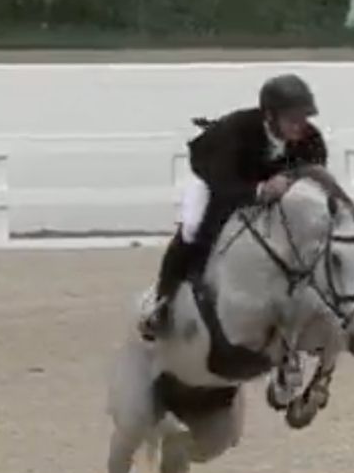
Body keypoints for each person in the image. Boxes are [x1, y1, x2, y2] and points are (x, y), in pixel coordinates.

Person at [138, 73, 329, 342]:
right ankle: (163, 300)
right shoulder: (236, 131)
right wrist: (260, 190)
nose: (300, 126)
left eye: (304, 117)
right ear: (271, 117)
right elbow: (222, 182)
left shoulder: (310, 139)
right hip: (216, 179)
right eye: (292, 119)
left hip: (265, 184)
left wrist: (291, 180)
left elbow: (315, 173)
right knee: (193, 228)